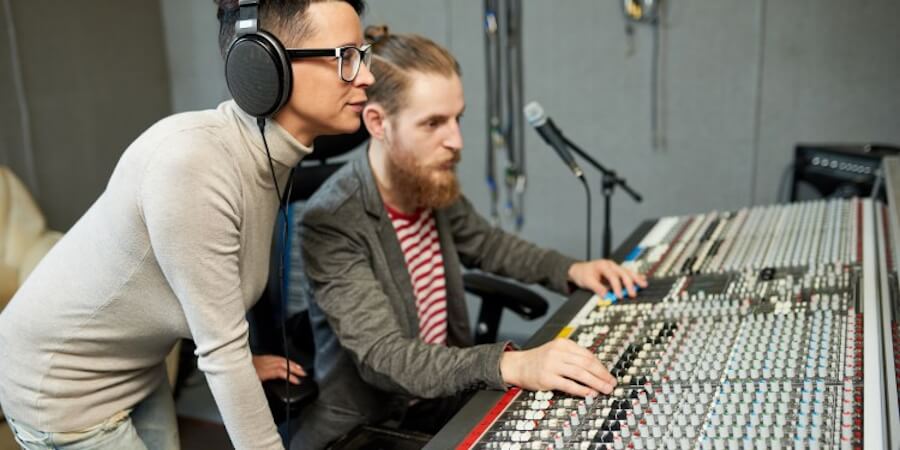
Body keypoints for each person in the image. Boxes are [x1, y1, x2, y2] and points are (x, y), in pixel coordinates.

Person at [0, 1, 372, 449]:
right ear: (265, 64)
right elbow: (220, 349)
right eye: (345, 57)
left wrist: (232, 354)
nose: (366, 76)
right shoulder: (192, 164)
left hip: (135, 366)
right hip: (62, 387)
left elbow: (198, 293)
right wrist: (227, 357)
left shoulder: (265, 157)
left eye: (362, 55)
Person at [290, 26, 647, 449]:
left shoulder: (427, 181)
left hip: (440, 400)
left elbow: (489, 245)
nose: (456, 141)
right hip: (373, 427)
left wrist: (570, 269)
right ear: (378, 122)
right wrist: (510, 364)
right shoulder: (332, 220)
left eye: (457, 118)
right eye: (434, 123)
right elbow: (385, 358)